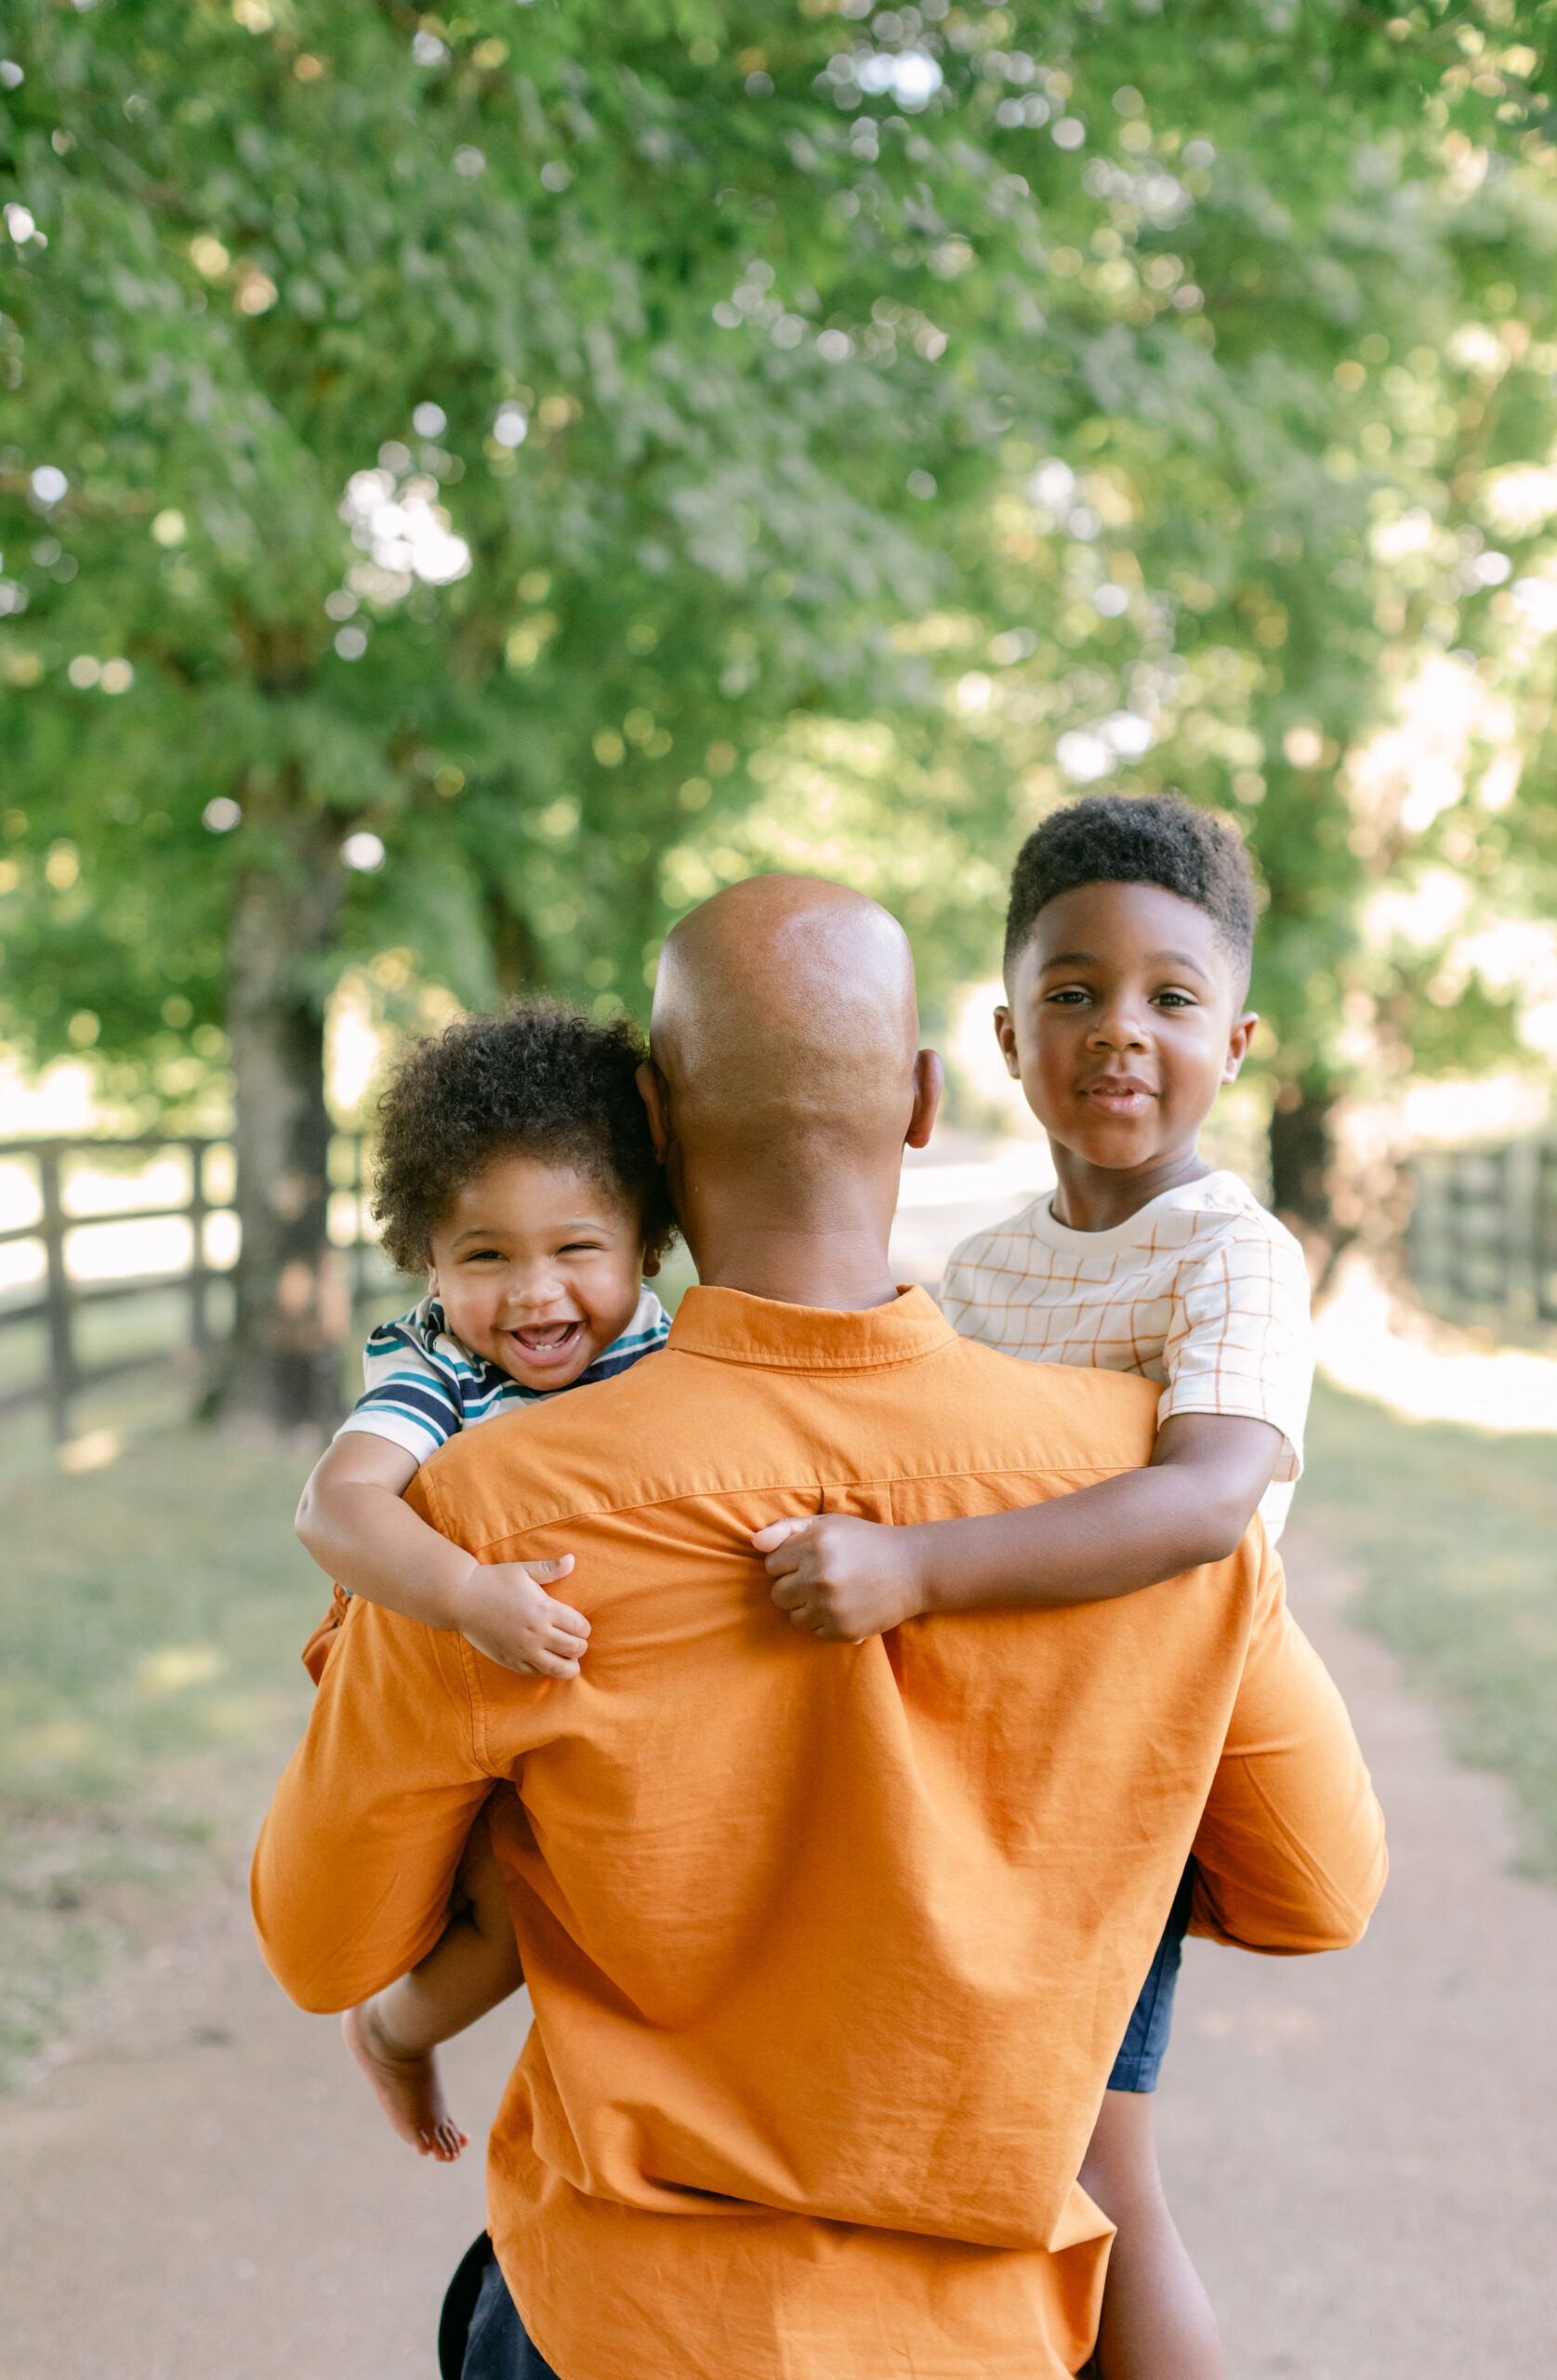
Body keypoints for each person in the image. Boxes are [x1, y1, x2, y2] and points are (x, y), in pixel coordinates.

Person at [254, 874, 1386, 2380]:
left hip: (619, 2324)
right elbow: (1319, 1891)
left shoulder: (481, 1509)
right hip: (977, 2338)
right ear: (921, 1098)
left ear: (649, 1125)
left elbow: (324, 1946)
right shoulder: (1140, 1481)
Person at [752, 794, 1312, 2376]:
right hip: (989, 1772)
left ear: (1237, 1040)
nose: (1116, 1031)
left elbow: (1205, 1500)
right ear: (1005, 1036)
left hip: (1123, 1772)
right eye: (1072, 992)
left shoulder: (1230, 1257)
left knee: (1088, 2156)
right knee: (975, 2133)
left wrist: (916, 1569)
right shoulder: (987, 1276)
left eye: (1167, 998)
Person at [294, 1002, 673, 2159]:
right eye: (485, 1256)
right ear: (429, 1261)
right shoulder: (441, 1370)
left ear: (647, 1240)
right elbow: (335, 1505)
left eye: (575, 1249)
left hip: (593, 1696)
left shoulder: (670, 1351)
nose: (535, 1295)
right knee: (509, 1919)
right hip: (448, 1675)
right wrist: (467, 1593)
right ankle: (397, 2036)